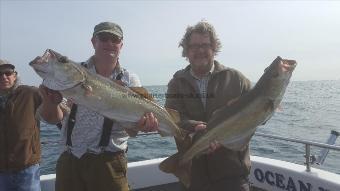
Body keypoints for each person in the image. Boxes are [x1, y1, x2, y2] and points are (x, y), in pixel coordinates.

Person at [38, 21, 159, 191]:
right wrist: (51, 104)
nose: (109, 43)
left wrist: (143, 126)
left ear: (121, 45)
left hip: (109, 163)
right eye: (103, 38)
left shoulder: (130, 79)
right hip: (70, 160)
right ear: (93, 42)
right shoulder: (73, 74)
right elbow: (53, 118)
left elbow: (132, 129)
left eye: (114, 39)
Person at [165, 21, 252, 191]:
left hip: (232, 175)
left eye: (205, 45)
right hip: (194, 177)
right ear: (186, 50)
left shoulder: (236, 79)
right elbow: (172, 119)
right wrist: (194, 127)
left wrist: (227, 135)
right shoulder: (176, 83)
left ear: (214, 48)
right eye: (194, 46)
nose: (199, 50)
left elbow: (258, 114)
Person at [0, 59, 45, 191]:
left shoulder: (30, 93)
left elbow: (56, 108)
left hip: (27, 170)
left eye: (7, 73)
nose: (3, 77)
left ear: (14, 75)